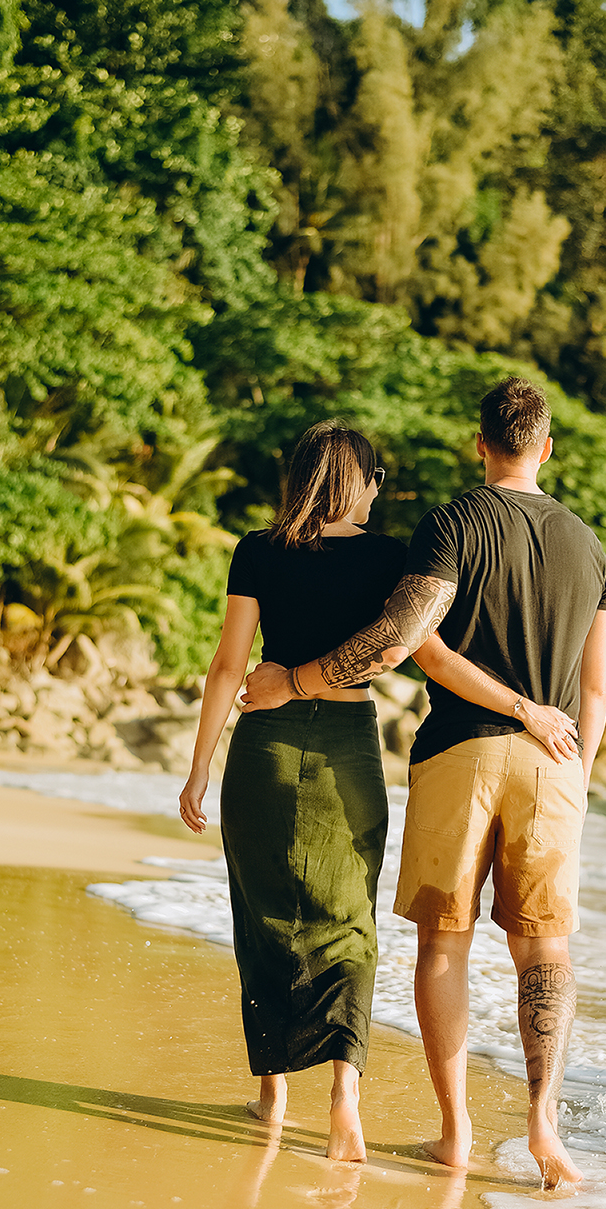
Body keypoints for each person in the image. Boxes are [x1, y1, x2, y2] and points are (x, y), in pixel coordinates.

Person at [242, 376, 606, 1188]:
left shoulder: (455, 521)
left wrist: (297, 679)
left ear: (479, 443)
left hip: (463, 751)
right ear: (547, 449)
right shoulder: (593, 549)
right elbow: (595, 694)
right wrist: (576, 778)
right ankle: (544, 1123)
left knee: (444, 942)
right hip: (558, 766)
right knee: (543, 948)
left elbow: (411, 638)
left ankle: (456, 1135)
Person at [178, 422, 405, 1163]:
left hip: (264, 749)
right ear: (360, 480)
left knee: (265, 914)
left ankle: (273, 1093)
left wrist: (199, 765)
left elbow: (226, 665)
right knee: (350, 919)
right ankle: (345, 1093)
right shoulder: (390, 560)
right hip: (349, 746)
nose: (378, 491)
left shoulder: (259, 549)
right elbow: (400, 650)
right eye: (375, 478)